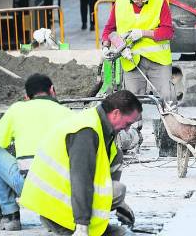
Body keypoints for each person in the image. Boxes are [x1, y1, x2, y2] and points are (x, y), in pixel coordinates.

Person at [20, 89, 141, 236]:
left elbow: (102, 176)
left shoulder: (101, 127)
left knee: (117, 159)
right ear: (115, 113)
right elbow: (81, 181)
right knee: (118, 190)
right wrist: (82, 226)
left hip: (67, 199)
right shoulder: (86, 132)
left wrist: (120, 205)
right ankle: (76, 226)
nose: (128, 129)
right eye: (128, 123)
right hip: (56, 207)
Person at [0, 74, 71, 231]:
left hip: (29, 187)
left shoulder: (18, 109)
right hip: (62, 190)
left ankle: (10, 216)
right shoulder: (68, 114)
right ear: (52, 90)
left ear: (26, 97)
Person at [100, 0, 175, 103]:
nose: (139, 2)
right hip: (131, 60)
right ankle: (135, 124)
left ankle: (171, 122)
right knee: (132, 102)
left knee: (168, 97)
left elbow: (168, 32)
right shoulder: (120, 2)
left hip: (158, 61)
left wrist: (143, 33)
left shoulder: (160, 1)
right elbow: (109, 29)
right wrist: (105, 46)